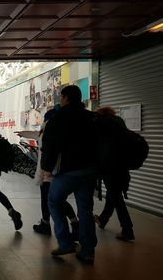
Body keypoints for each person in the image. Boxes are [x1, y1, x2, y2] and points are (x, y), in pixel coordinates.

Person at [41, 85, 98, 264]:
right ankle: (88, 251)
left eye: (61, 97)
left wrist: (46, 168)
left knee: (53, 201)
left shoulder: (58, 119)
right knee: (85, 210)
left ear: (65, 98)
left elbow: (50, 146)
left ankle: (65, 243)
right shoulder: (92, 117)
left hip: (67, 171)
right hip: (89, 171)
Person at [33, 106, 79, 238]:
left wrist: (47, 170)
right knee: (57, 199)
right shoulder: (57, 128)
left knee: (51, 199)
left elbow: (49, 151)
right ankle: (72, 224)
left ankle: (52, 227)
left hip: (49, 171)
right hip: (53, 170)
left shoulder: (50, 129)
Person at [94, 106, 135, 242]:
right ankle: (103, 219)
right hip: (122, 166)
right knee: (113, 194)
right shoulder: (119, 124)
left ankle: (127, 229)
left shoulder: (102, 125)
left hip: (109, 167)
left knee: (116, 198)